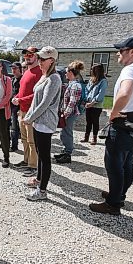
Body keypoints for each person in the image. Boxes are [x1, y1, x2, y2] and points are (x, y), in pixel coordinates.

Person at [90, 37, 133, 215]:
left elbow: (124, 93)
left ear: (132, 52)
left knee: (114, 164)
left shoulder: (131, 69)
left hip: (124, 122)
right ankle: (119, 194)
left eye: (121, 51)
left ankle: (113, 204)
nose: (117, 54)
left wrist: (114, 113)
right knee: (127, 162)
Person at [23, 46, 62, 201]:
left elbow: (45, 103)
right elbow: (36, 99)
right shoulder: (45, 76)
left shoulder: (54, 78)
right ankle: (38, 180)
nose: (39, 61)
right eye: (38, 58)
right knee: (40, 153)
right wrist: (30, 116)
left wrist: (29, 117)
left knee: (45, 157)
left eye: (42, 59)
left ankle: (42, 191)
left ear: (51, 60)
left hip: (45, 122)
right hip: (38, 121)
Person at [12, 46, 42, 178]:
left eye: (31, 55)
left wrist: (20, 99)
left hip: (31, 112)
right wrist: (17, 97)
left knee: (31, 140)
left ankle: (33, 165)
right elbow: (23, 91)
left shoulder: (39, 73)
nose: (28, 57)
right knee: (24, 138)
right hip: (22, 111)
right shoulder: (27, 72)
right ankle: (26, 160)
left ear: (37, 56)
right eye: (26, 55)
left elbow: (37, 95)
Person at [54, 60, 84, 164]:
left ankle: (68, 153)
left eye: (67, 72)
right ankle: (65, 151)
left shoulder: (75, 85)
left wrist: (65, 114)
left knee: (67, 133)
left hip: (70, 114)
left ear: (71, 73)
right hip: (67, 113)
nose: (65, 74)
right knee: (64, 133)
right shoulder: (71, 84)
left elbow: (72, 102)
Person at [81, 63, 108, 145]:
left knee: (95, 121)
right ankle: (86, 137)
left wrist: (92, 103)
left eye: (93, 70)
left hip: (96, 105)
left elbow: (101, 94)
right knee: (88, 121)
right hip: (88, 103)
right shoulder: (91, 80)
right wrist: (86, 101)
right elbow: (86, 90)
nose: (91, 71)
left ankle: (94, 138)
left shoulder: (103, 81)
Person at [9, 62, 23, 151]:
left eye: (15, 68)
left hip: (19, 107)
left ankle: (14, 146)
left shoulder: (23, 79)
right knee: (11, 126)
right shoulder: (12, 79)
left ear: (19, 69)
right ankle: (9, 142)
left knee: (15, 127)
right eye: (12, 68)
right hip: (11, 106)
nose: (13, 70)